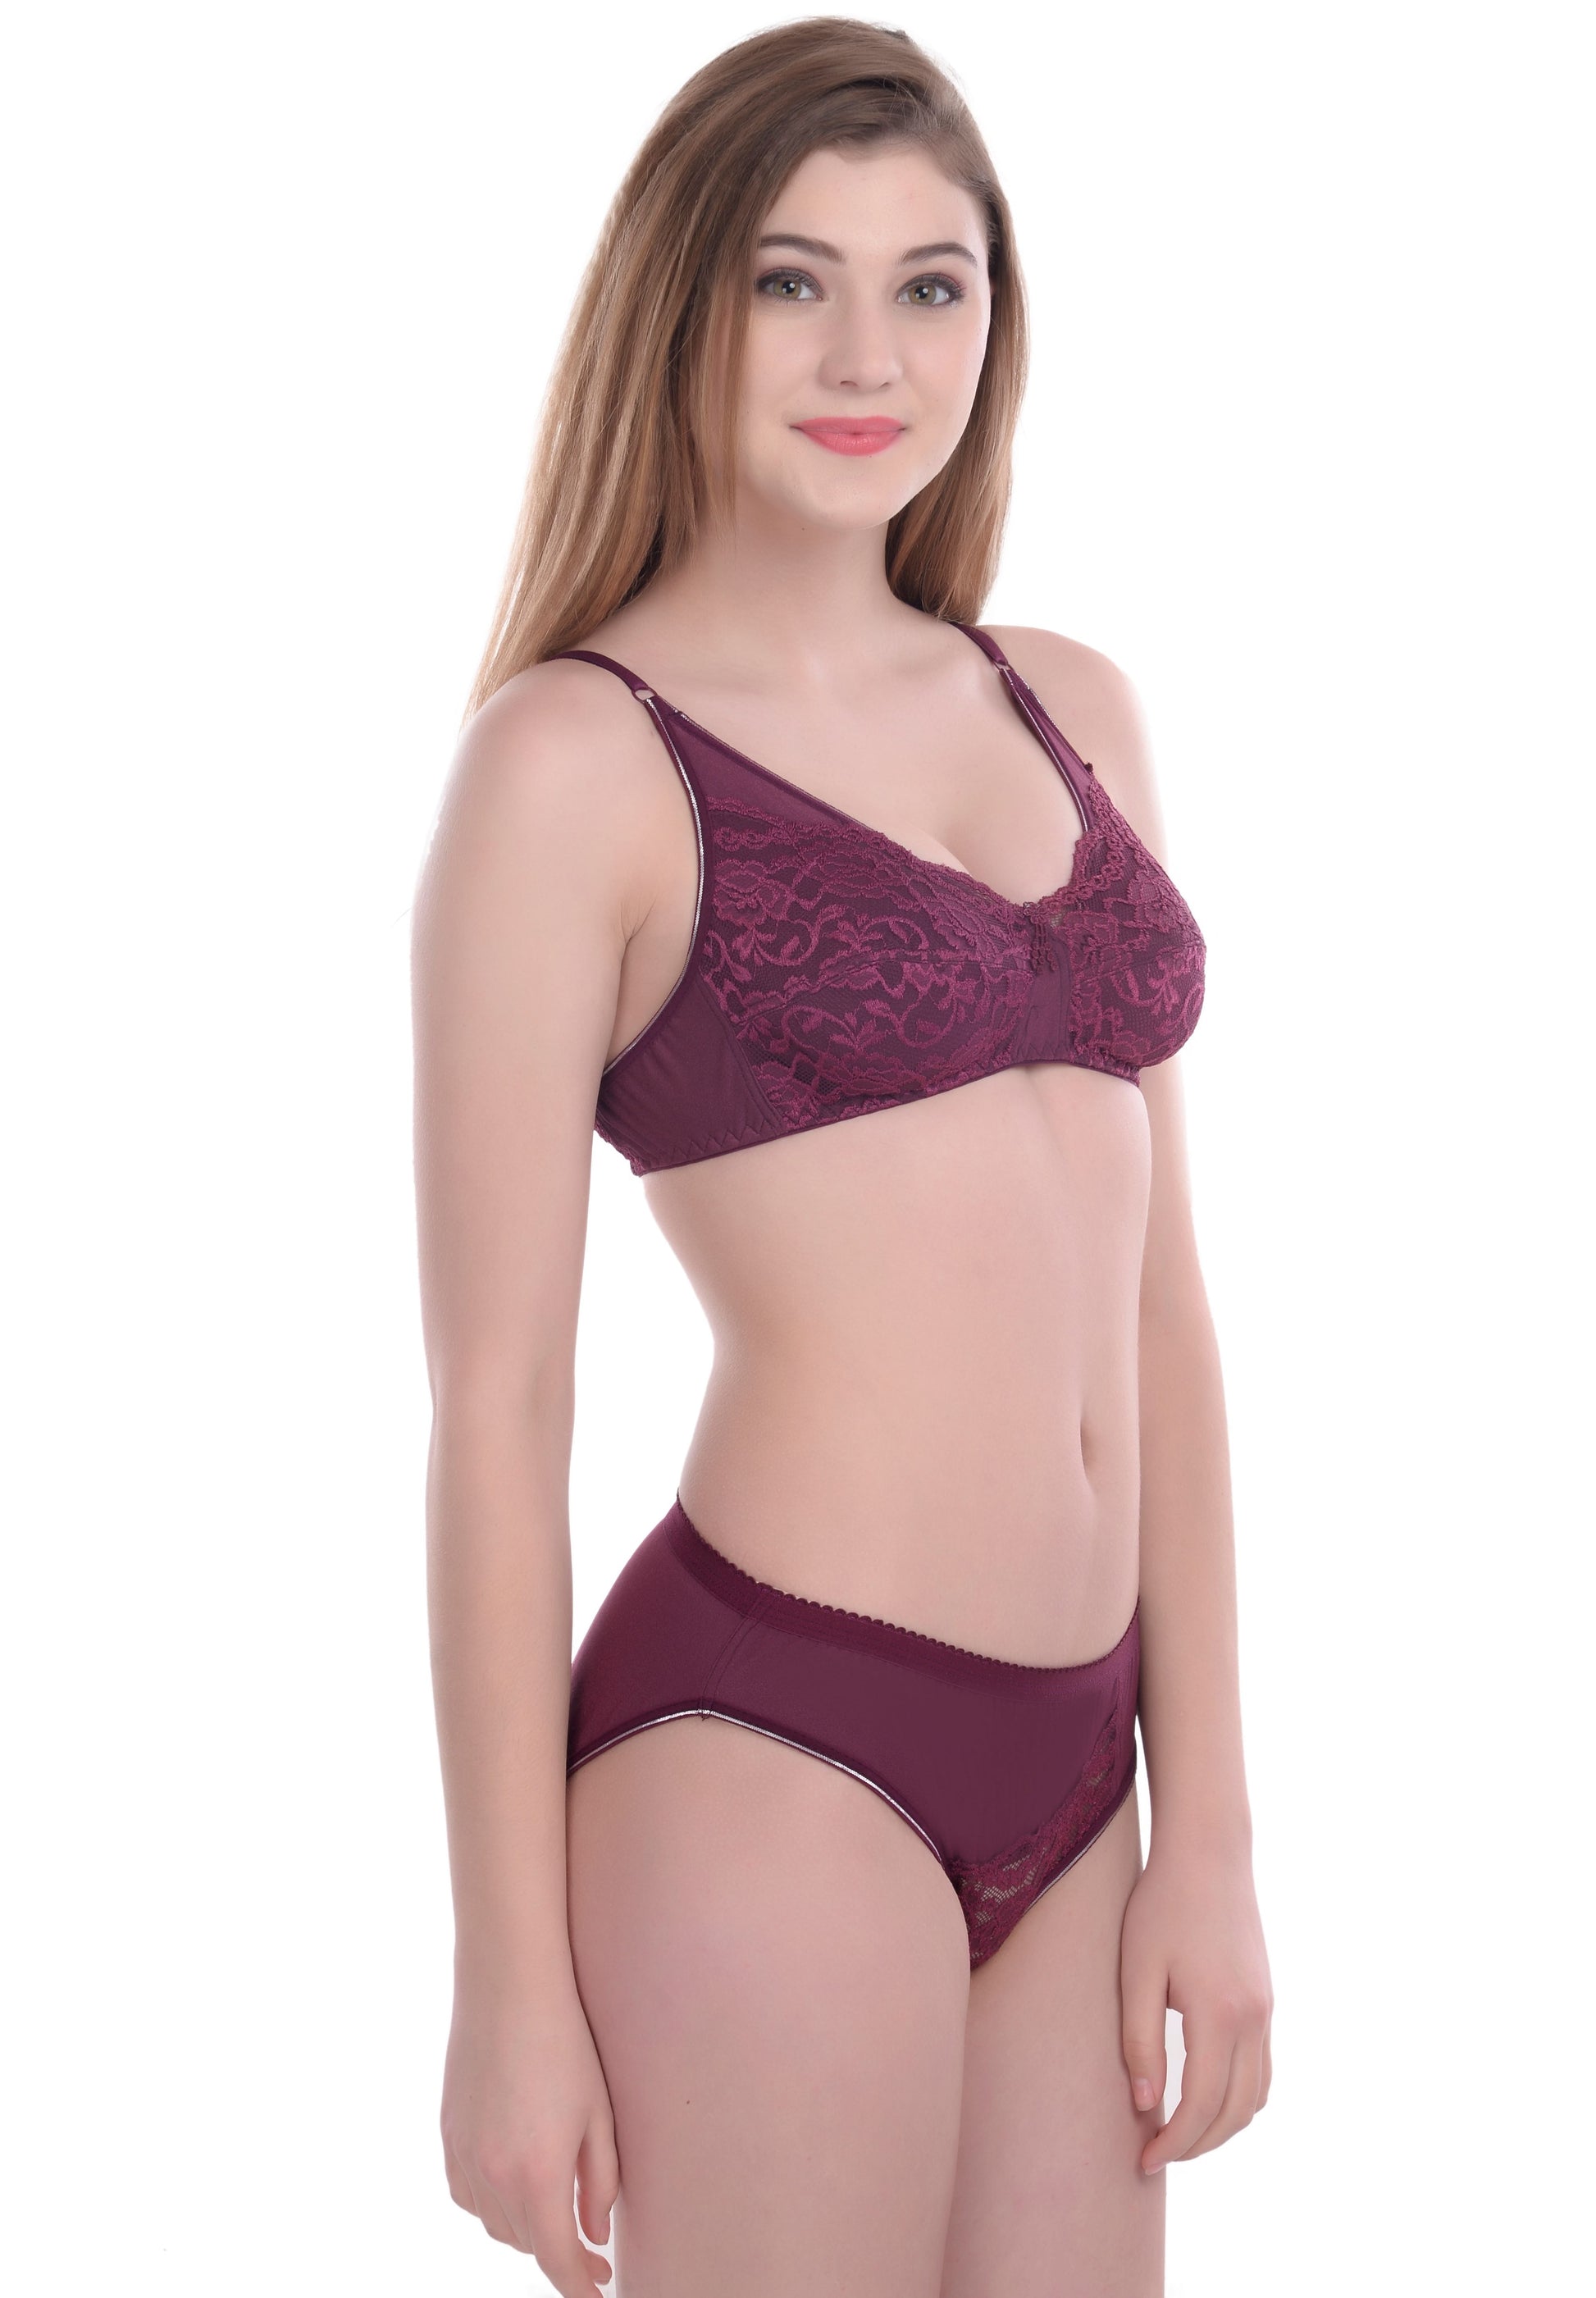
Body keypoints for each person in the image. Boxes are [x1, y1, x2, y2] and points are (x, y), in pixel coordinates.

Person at [411, 19, 1273, 2296]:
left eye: (931, 285)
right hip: (772, 1744)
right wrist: (506, 1980)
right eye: (792, 282)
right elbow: (497, 1408)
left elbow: (1166, 1318)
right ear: (680, 304)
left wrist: (1209, 1828)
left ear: (997, 323)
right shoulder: (571, 766)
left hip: (1083, 1775)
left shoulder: (1072, 706)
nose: (868, 354)